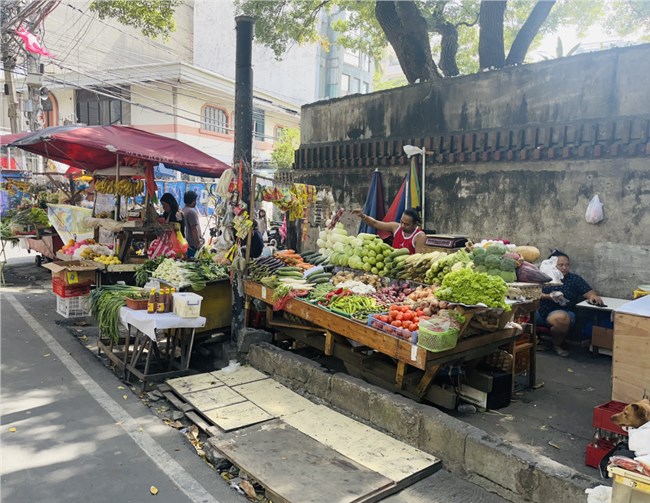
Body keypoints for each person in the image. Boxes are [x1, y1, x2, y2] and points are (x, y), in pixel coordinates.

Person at [536, 250, 603, 357]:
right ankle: (533, 342)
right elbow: (531, 293)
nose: (564, 268)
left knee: (561, 318)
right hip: (540, 310)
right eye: (560, 265)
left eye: (567, 265)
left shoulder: (574, 279)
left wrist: (593, 296)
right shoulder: (542, 278)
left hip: (563, 312)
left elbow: (589, 292)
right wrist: (548, 296)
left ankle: (557, 345)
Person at [351, 208, 426, 254]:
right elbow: (375, 223)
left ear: (415, 224)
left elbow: (417, 259)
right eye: (401, 222)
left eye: (407, 224)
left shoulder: (419, 236)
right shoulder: (396, 227)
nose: (402, 226)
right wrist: (362, 216)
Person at [182, 191, 203, 258]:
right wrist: (198, 243)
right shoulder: (191, 212)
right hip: (192, 245)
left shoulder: (183, 210)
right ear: (193, 200)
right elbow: (194, 228)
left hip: (186, 243)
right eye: (195, 200)